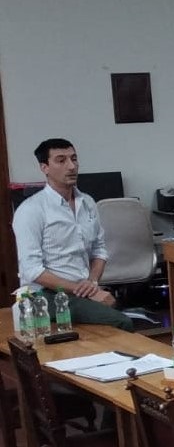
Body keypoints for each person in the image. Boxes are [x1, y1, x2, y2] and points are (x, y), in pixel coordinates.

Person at [13, 138, 132, 331]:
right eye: (61, 160)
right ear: (45, 168)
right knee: (121, 322)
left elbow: (99, 250)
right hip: (45, 294)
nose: (71, 166)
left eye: (74, 159)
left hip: (81, 289)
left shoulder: (87, 202)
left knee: (115, 306)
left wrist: (92, 283)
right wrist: (83, 290)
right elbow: (31, 270)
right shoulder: (31, 210)